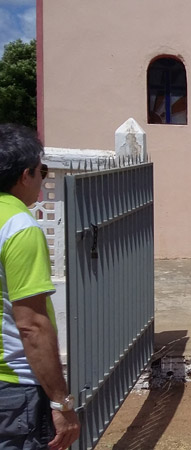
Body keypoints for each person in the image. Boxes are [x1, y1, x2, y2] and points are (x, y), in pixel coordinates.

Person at [0, 123, 80, 448]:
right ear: (25, 175)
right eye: (41, 171)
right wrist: (61, 402)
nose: (42, 179)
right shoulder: (19, 227)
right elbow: (31, 326)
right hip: (13, 386)